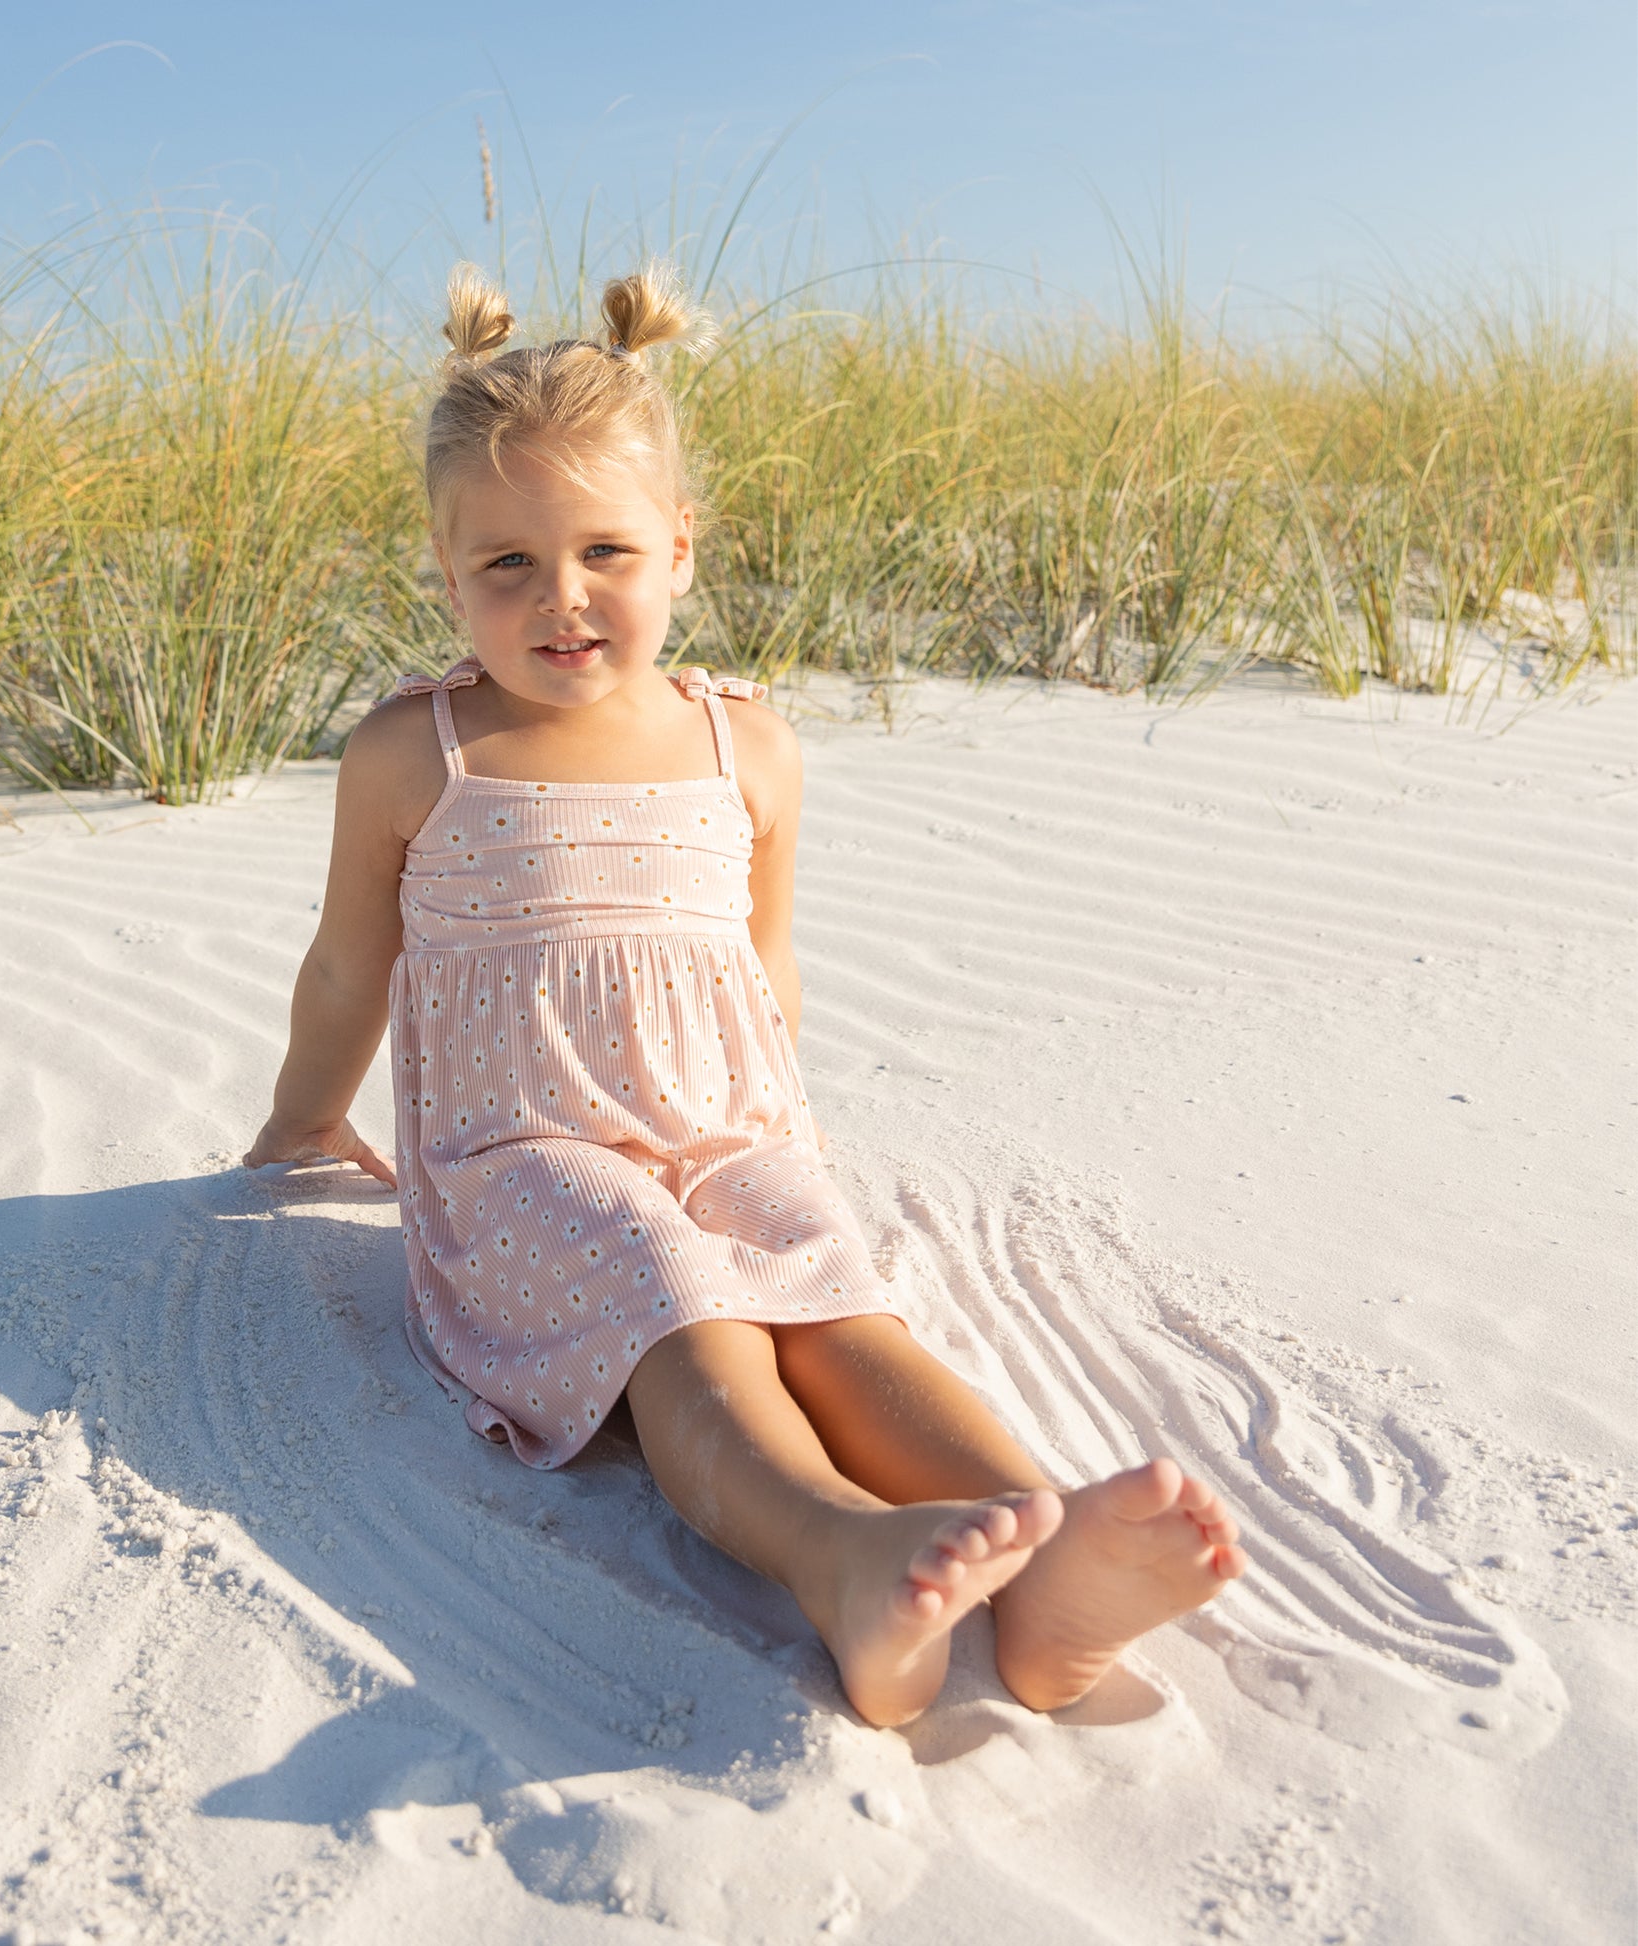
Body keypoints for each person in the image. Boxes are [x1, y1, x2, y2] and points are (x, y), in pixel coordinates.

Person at [245, 262, 1247, 1728]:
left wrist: (779, 1134)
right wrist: (298, 1118)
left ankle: (1044, 1560)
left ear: (680, 550)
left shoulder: (746, 744)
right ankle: (840, 1552)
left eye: (605, 551)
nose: (562, 597)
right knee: (676, 1306)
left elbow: (759, 959)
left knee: (835, 1307)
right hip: (523, 1157)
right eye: (505, 564)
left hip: (724, 1124)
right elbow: (349, 962)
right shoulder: (417, 754)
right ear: (444, 567)